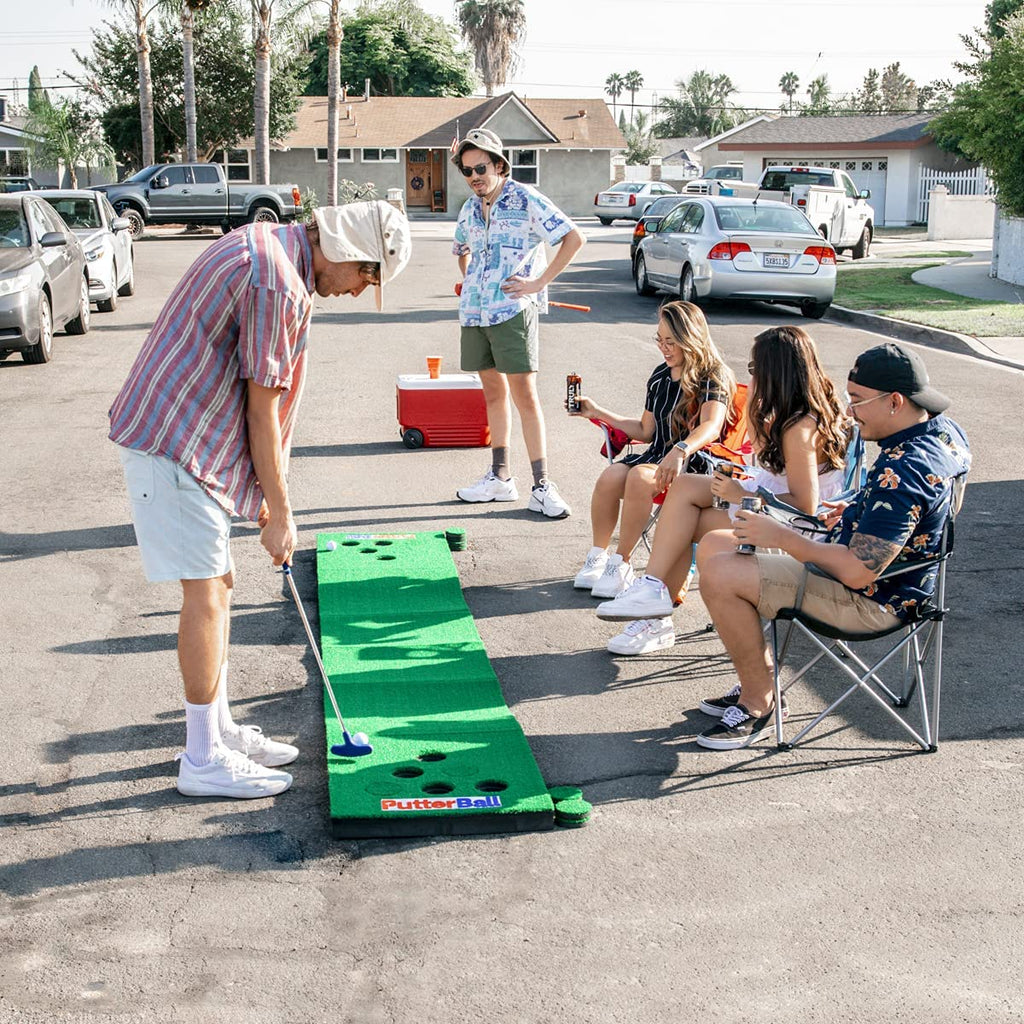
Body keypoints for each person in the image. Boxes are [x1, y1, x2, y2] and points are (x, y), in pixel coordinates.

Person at [109, 201, 411, 798]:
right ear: (350, 251)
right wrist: (280, 508)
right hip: (175, 442)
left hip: (181, 434)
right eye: (367, 276)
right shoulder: (280, 284)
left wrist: (265, 497)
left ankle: (217, 729)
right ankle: (202, 758)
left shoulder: (268, 242)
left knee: (217, 586)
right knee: (206, 595)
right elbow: (262, 406)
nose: (357, 291)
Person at [693, 342, 970, 750]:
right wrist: (857, 507)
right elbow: (915, 512)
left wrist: (780, 536)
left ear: (895, 401)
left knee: (720, 571)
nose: (848, 411)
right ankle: (757, 677)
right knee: (718, 541)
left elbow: (858, 570)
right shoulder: (943, 431)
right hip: (896, 577)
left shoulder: (905, 469)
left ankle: (761, 701)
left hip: (872, 600)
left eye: (857, 400)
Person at [596, 325, 850, 656]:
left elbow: (805, 504)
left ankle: (657, 614)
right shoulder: (790, 413)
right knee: (684, 489)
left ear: (774, 372)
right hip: (771, 503)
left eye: (754, 369)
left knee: (685, 523)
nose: (751, 376)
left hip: (796, 527)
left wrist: (738, 495)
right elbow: (772, 469)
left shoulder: (799, 428)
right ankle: (653, 591)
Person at [451, 127, 585, 518]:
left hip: (512, 311)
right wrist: (470, 280)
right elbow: (461, 249)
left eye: (481, 168)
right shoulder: (469, 209)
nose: (474, 176)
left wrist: (539, 283)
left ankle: (542, 485)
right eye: (467, 170)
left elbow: (573, 238)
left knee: (524, 397)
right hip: (476, 313)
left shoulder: (524, 198)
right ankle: (500, 478)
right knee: (492, 394)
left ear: (499, 166)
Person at [568, 301, 735, 614]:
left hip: (695, 463)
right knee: (611, 476)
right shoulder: (661, 375)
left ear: (691, 337)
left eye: (670, 341)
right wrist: (597, 412)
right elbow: (646, 430)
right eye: (659, 340)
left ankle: (622, 563)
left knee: (640, 477)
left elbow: (712, 426)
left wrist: (681, 448)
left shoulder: (714, 375)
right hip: (659, 455)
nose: (664, 348)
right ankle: (598, 556)